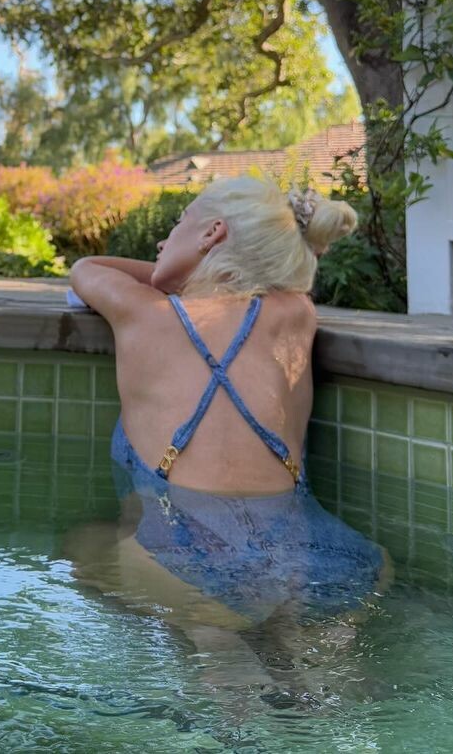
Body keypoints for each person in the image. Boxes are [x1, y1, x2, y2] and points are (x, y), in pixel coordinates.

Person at [62, 175, 391, 692]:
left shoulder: (139, 310)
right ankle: (303, 651)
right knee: (316, 661)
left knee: (84, 547)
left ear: (212, 233)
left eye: (178, 225)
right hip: (319, 560)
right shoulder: (295, 313)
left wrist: (171, 271)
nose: (161, 242)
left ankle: (215, 644)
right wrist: (199, 258)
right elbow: (269, 281)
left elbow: (86, 267)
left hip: (182, 563)